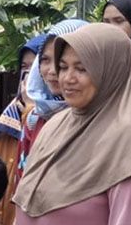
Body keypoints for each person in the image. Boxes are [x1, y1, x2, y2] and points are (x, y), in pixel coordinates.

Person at [12, 23, 131, 225]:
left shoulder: (128, 139)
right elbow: (24, 208)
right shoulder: (54, 126)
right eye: (64, 67)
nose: (67, 79)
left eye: (82, 69)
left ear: (112, 71)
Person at [17, 19, 90, 181]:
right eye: (45, 60)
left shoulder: (96, 119)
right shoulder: (35, 117)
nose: (52, 71)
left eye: (60, 62)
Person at [0, 32, 46, 225]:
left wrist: (32, 111)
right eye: (24, 67)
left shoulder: (57, 120)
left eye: (36, 67)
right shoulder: (7, 119)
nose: (29, 76)